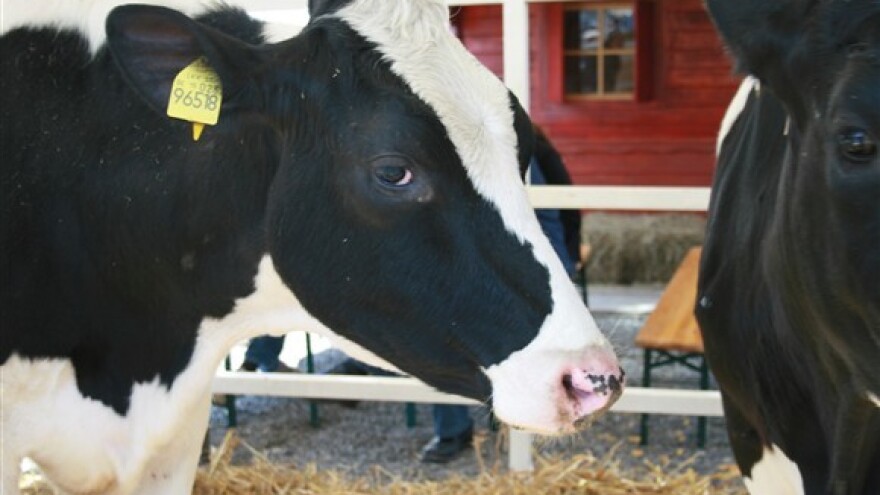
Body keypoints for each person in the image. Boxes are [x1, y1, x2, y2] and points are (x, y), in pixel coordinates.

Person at [420, 125, 582, 464]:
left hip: (528, 265)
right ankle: (466, 427)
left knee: (473, 341)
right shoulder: (506, 145)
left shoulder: (513, 149)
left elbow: (556, 212)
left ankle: (490, 424)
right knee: (450, 337)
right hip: (501, 263)